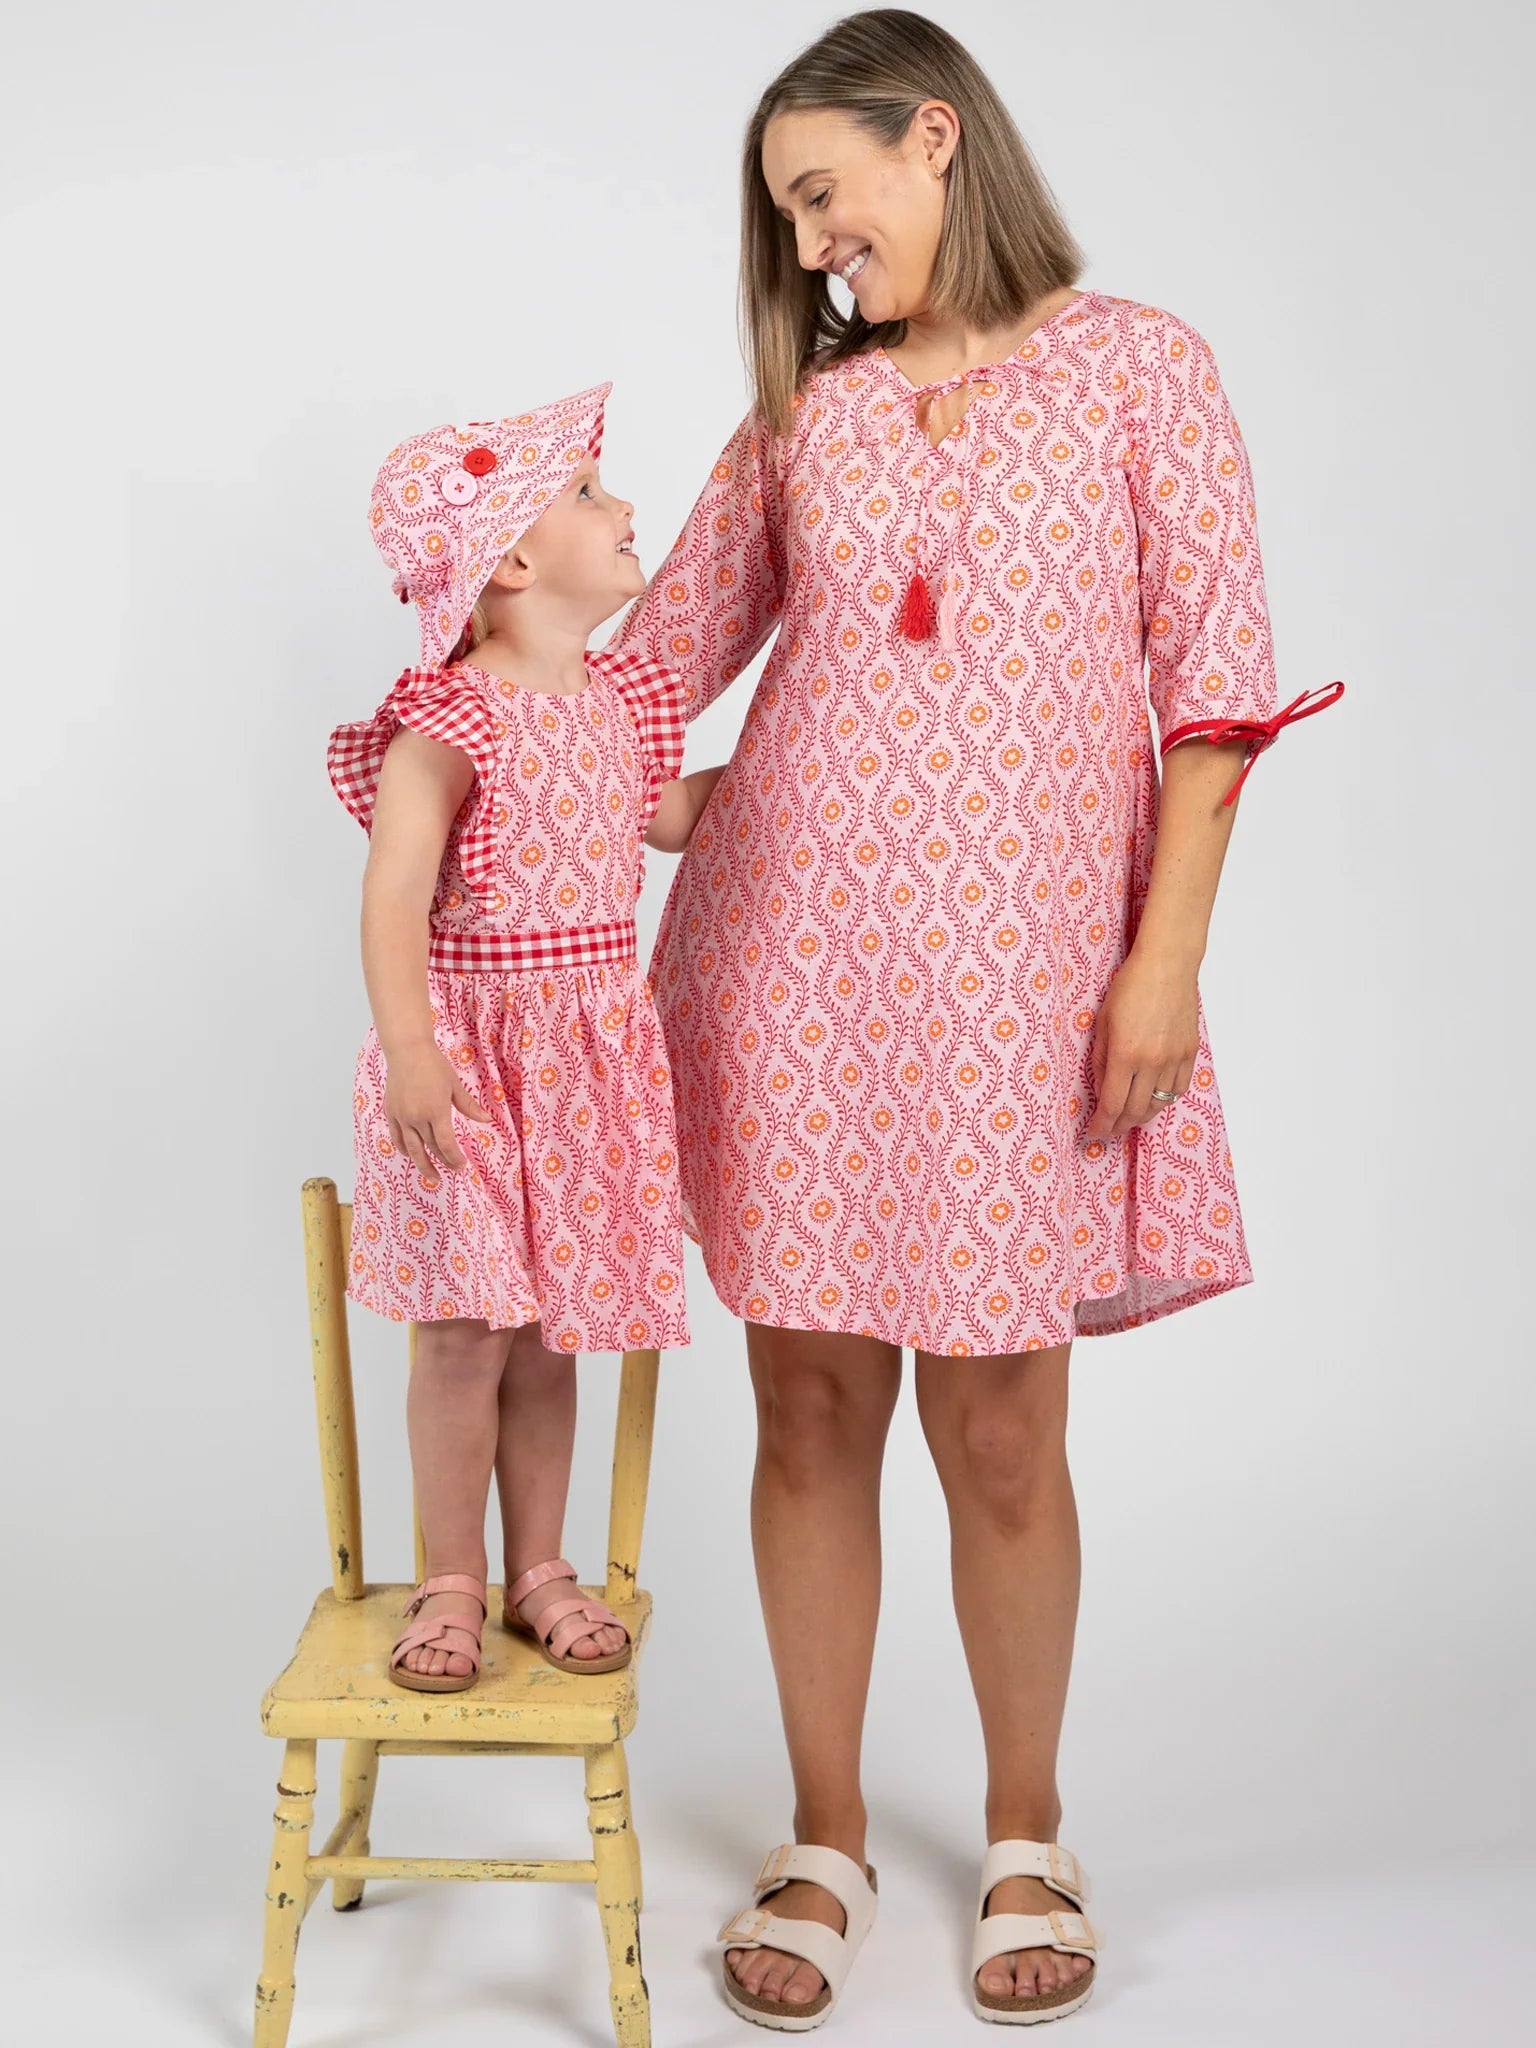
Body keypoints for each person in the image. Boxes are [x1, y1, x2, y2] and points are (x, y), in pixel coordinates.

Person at [605, 9, 1341, 2029]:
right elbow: (656, 666)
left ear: (936, 137)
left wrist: (1165, 955)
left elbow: (1217, 693)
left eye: (825, 198)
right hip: (796, 972)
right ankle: (824, 1831)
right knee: (811, 1407)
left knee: (1004, 1422)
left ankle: (1029, 1826)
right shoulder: (807, 421)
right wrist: (481, 722)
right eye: (788, 224)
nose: (817, 248)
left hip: (1031, 989)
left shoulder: (1142, 371)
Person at [328, 383, 721, 1694]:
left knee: (551, 1328)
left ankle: (539, 1564)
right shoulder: (454, 714)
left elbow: (665, 818)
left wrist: (813, 749)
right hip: (473, 1051)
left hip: (592, 1054)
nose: (625, 510)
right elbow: (393, 891)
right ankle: (452, 1574)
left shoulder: (621, 697)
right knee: (462, 1329)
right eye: (591, 494)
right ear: (509, 560)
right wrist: (412, 1048)